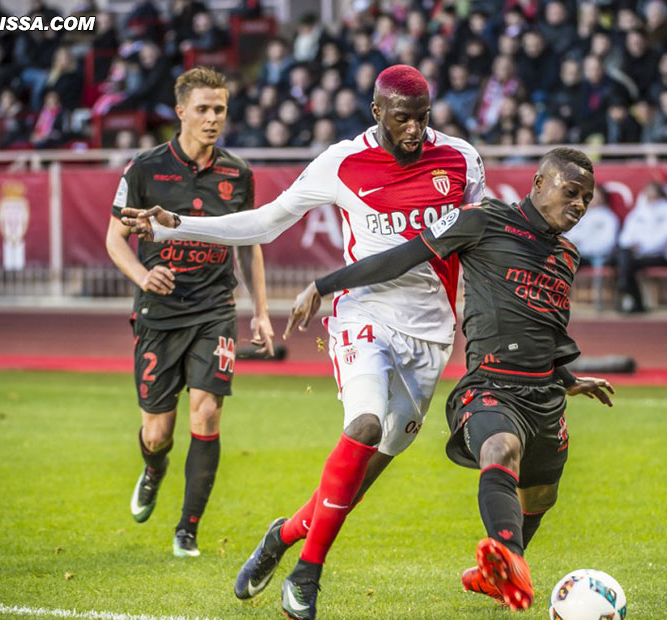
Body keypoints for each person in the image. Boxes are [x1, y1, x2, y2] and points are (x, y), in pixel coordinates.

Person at [120, 65, 484, 620]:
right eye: (402, 119)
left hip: (432, 334)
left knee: (357, 481)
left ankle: (282, 536)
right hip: (363, 316)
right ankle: (306, 576)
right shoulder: (340, 162)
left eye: (423, 118)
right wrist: (174, 227)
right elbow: (264, 224)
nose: (414, 131)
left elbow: (479, 242)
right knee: (361, 426)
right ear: (377, 113)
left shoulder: (461, 159)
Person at [284, 147, 615, 611]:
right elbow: (402, 257)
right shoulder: (483, 220)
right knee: (501, 450)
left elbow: (545, 325)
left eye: (587, 198)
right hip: (491, 386)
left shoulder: (567, 255)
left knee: (540, 497)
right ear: (539, 183)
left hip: (545, 395)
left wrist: (567, 377)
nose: (579, 205)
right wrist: (324, 285)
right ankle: (509, 560)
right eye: (571, 191)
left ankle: (490, 574)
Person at [105, 67, 275, 558]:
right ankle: (153, 469)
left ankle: (187, 530)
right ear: (180, 112)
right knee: (158, 433)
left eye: (219, 109)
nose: (212, 118)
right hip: (158, 314)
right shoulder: (144, 169)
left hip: (214, 310)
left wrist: (260, 312)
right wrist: (142, 277)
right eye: (202, 109)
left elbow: (250, 244)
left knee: (206, 412)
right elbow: (115, 239)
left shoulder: (237, 174)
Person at [615, 181, 667, 313]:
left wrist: (642, 247)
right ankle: (630, 295)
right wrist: (631, 245)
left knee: (627, 263)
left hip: (661, 255)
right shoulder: (639, 211)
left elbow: (665, 238)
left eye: (652, 190)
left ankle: (631, 295)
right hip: (635, 253)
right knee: (623, 257)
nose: (649, 194)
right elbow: (626, 234)